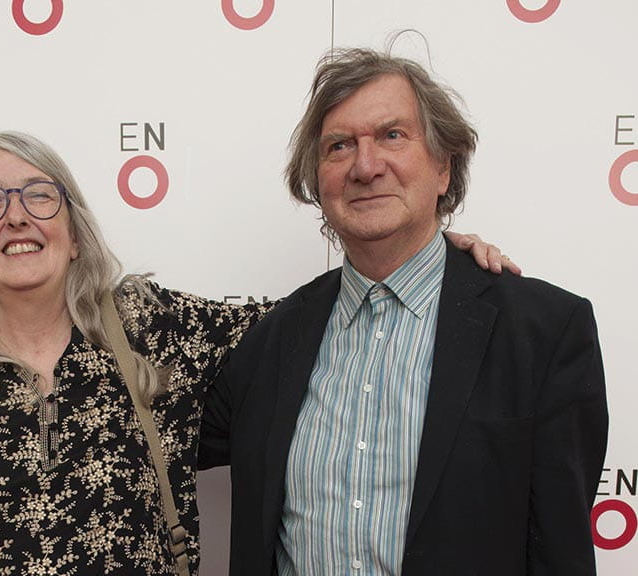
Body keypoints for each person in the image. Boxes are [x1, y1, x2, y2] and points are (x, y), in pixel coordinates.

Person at [0, 130, 513, 576]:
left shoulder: (146, 326)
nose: (16, 217)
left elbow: (309, 322)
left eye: (39, 196)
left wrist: (422, 252)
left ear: (73, 234)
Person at [199, 48, 608, 576]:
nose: (365, 166)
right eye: (339, 146)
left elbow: (561, 551)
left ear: (444, 167)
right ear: (316, 182)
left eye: (392, 135)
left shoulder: (545, 332)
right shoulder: (266, 341)